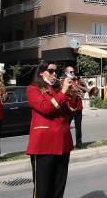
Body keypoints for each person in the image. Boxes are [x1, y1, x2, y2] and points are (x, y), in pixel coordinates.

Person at [26, 63, 79, 198]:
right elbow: (46, 108)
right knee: (42, 190)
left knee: (58, 188)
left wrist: (73, 94)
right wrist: (63, 92)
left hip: (62, 143)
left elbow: (70, 111)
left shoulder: (58, 89)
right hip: (44, 144)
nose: (55, 74)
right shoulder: (33, 89)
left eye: (56, 71)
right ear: (41, 73)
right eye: (51, 71)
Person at [63, 66, 84, 148]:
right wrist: (72, 91)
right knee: (66, 127)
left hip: (78, 107)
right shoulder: (63, 81)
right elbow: (64, 94)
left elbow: (84, 91)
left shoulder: (77, 80)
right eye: (71, 72)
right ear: (66, 73)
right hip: (69, 108)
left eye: (73, 71)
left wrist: (83, 86)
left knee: (78, 127)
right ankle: (67, 143)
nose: (73, 73)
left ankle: (79, 143)